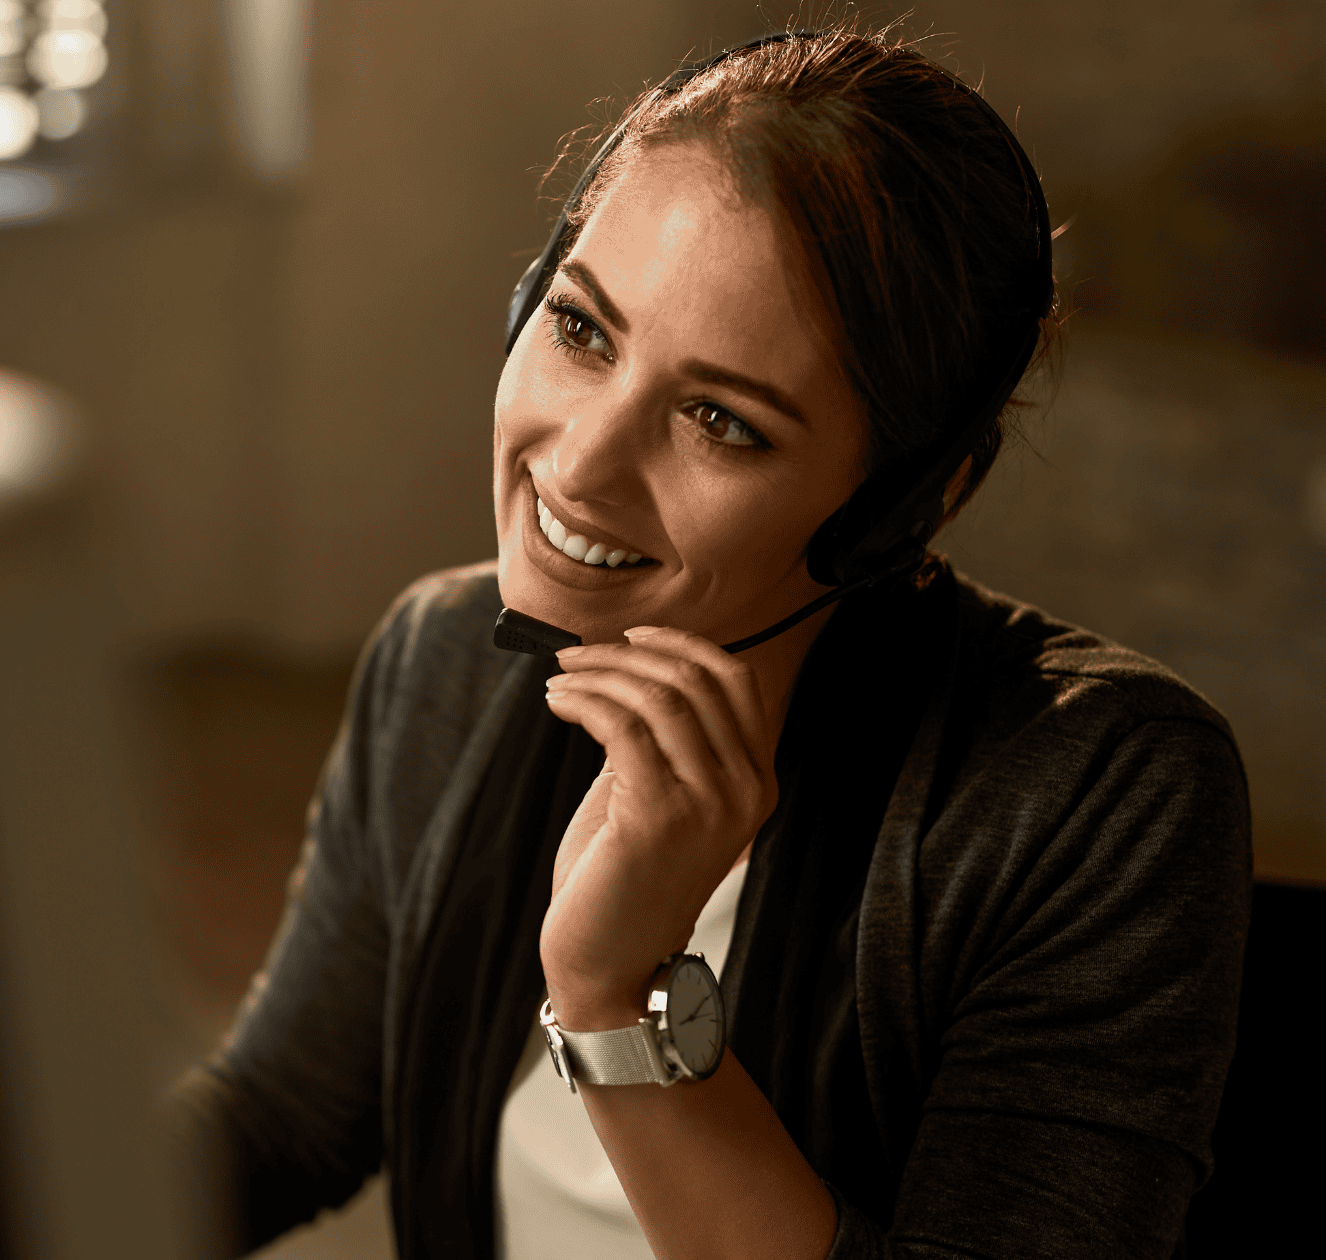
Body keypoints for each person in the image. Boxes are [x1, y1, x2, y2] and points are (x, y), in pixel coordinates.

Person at [177, 24, 1251, 1260]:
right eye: (580, 329)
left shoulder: (1098, 792)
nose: (577, 467)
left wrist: (616, 1000)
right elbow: (284, 1115)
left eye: (718, 421)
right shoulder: (444, 657)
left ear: (902, 505)